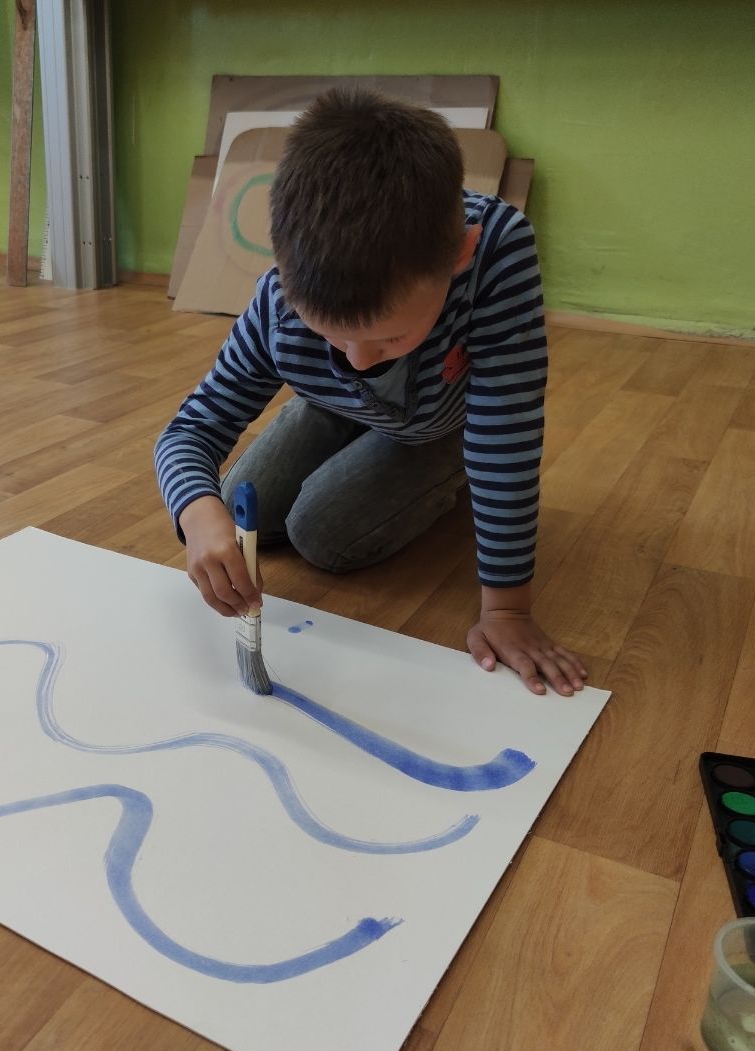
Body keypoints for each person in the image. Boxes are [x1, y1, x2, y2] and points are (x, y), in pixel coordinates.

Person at [154, 87, 586, 697]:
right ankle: (352, 416)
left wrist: (507, 609)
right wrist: (198, 515)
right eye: (329, 334)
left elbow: (505, 438)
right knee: (236, 505)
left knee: (323, 533)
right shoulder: (277, 301)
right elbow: (189, 431)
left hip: (441, 423)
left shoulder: (496, 251)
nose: (357, 358)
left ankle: (445, 472)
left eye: (390, 337)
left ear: (458, 258)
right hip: (332, 406)